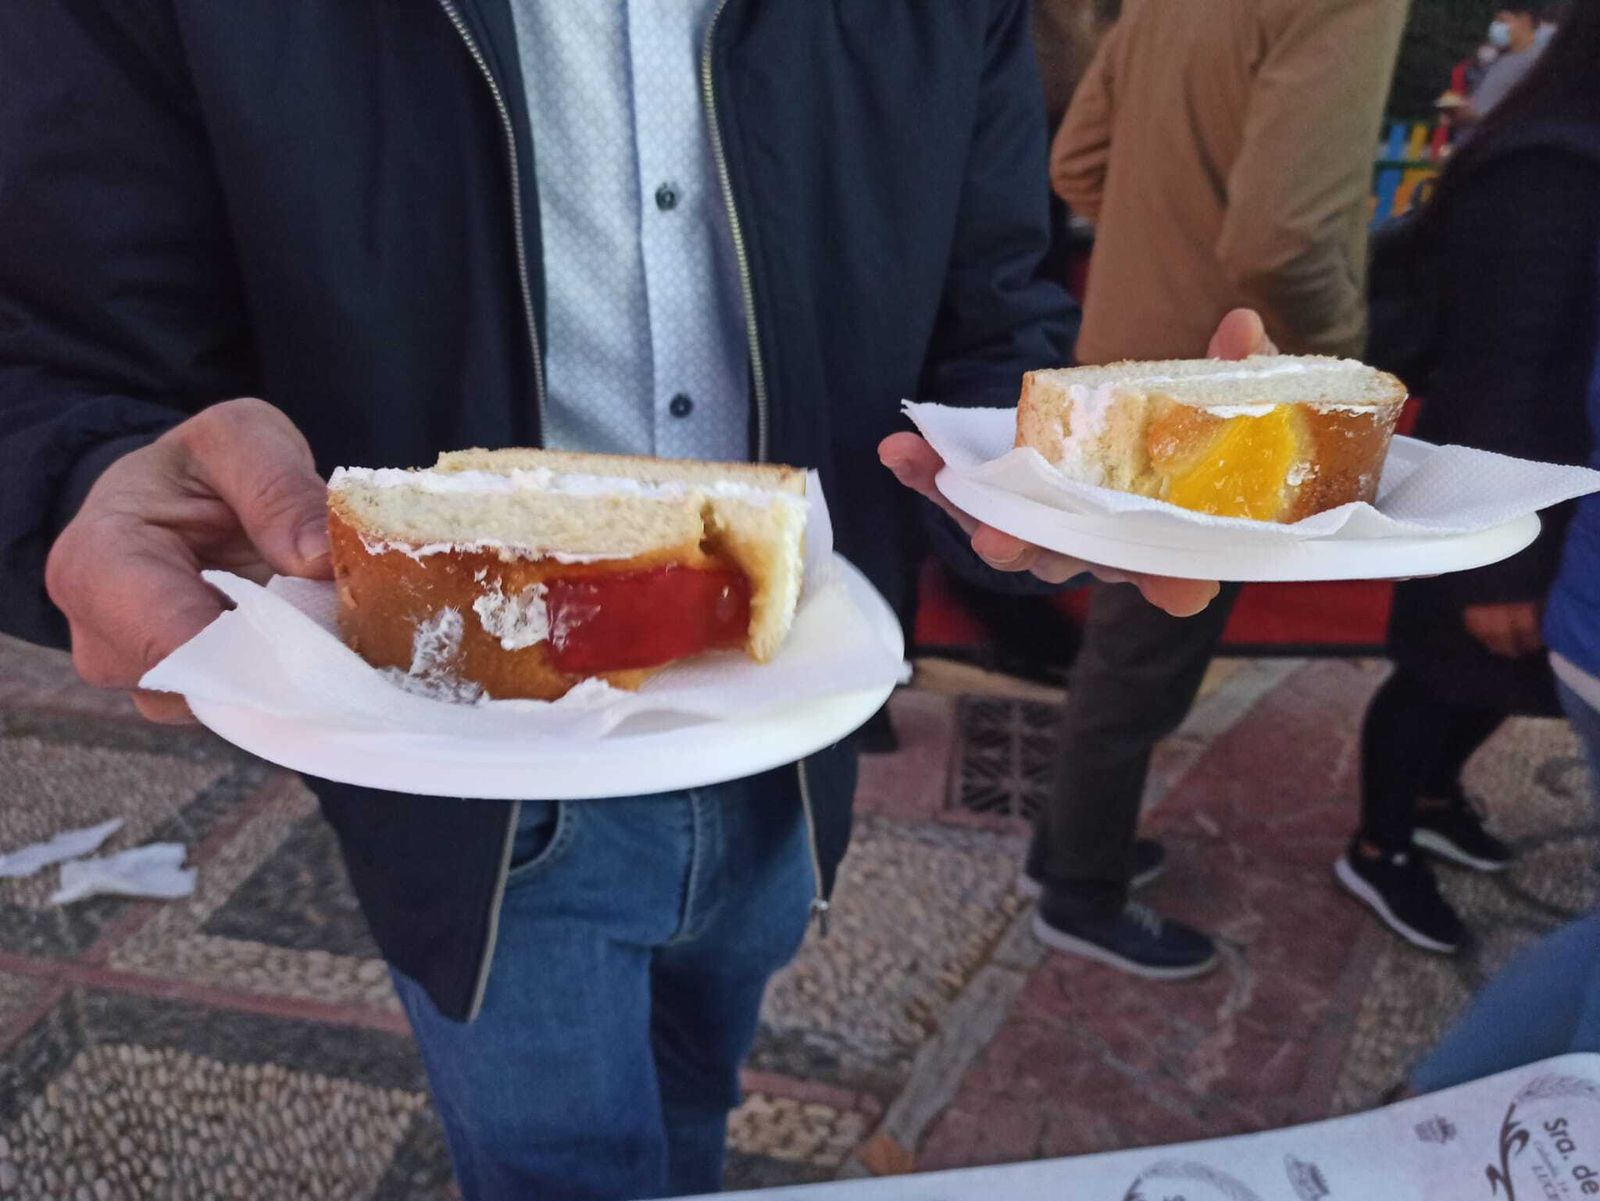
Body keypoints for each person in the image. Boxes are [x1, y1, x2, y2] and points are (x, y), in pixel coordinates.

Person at [0, 5, 1239, 1198]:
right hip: (467, 766)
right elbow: (61, 340)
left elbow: (986, 310)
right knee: (555, 1168)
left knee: (700, 1094)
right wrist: (80, 479)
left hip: (788, 731)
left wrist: (1064, 480)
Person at [989, 0, 1408, 981]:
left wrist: (1161, 249)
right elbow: (1284, 237)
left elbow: (1076, 163)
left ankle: (1068, 849)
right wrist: (1337, 364)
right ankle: (1079, 888)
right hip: (1226, 402)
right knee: (1142, 658)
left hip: (1122, 368)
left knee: (1128, 645)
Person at [1347, 4, 1600, 954]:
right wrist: (1501, 567)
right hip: (1491, 474)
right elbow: (1504, 360)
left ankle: (1432, 798)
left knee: (1499, 674)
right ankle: (1379, 845)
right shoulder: (1553, 166)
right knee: (1442, 670)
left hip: (1546, 475)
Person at [1462, 3, 1551, 124]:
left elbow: (1527, 113)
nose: (1495, 27)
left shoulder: (1537, 62)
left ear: (1525, 21)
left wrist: (1476, 116)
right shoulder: (1500, 58)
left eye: (1502, 20)